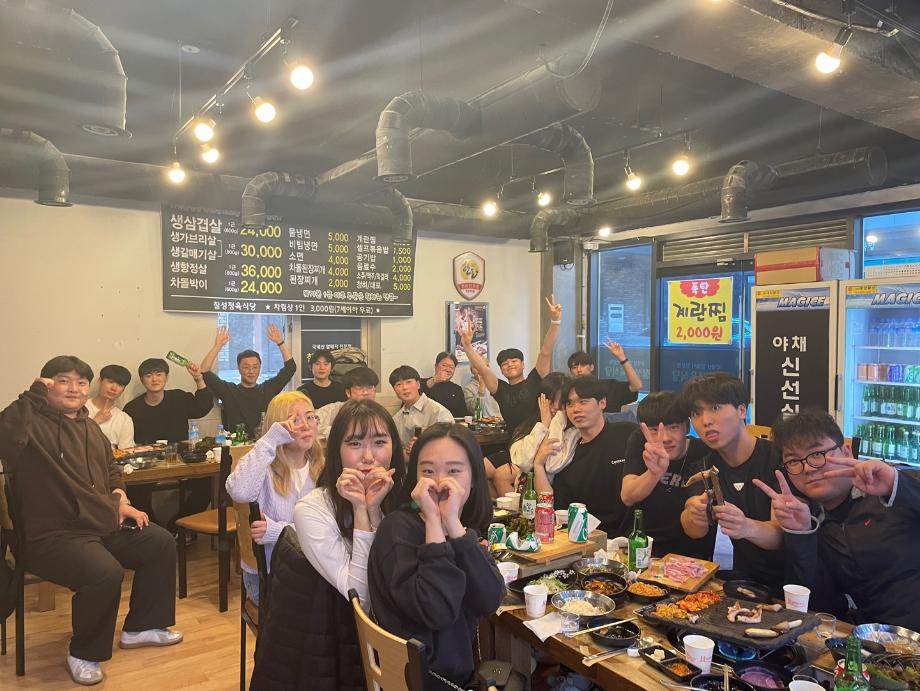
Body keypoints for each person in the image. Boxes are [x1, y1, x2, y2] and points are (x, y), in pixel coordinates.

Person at [0, 356, 181, 686]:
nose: (74, 388)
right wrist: (32, 395)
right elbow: (4, 434)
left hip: (99, 524)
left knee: (160, 542)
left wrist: (121, 500)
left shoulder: (90, 427)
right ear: (46, 384)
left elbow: (111, 470)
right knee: (104, 572)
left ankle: (141, 627)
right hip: (51, 536)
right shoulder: (29, 425)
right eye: (63, 380)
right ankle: (83, 653)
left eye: (80, 382)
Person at [368, 424, 504, 691]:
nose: (440, 483)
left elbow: (489, 600)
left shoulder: (463, 531)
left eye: (454, 471)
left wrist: (453, 524)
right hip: (425, 681)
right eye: (428, 471)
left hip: (454, 676)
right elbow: (436, 612)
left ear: (474, 478)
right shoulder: (397, 530)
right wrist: (433, 522)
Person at [762, 409, 920, 629]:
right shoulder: (814, 520)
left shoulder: (892, 490)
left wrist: (898, 485)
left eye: (817, 454)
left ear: (846, 451)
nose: (807, 468)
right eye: (794, 461)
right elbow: (824, 604)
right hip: (875, 639)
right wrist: (801, 535)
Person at [293, 398, 406, 609]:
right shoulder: (311, 510)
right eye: (355, 444)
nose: (368, 457)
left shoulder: (405, 497)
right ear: (337, 450)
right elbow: (362, 600)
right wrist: (361, 510)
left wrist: (375, 511)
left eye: (379, 442)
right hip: (343, 625)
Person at [678, 373, 784, 587]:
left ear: (742, 411)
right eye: (697, 413)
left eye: (715, 408)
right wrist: (694, 514)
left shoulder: (777, 458)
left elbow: (780, 536)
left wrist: (746, 526)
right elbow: (693, 529)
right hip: (744, 582)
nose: (706, 421)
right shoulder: (703, 465)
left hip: (792, 584)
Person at [225, 391, 324, 605]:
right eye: (295, 420)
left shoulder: (322, 467)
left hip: (316, 570)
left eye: (310, 417)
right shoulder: (263, 467)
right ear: (278, 427)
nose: (306, 426)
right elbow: (239, 492)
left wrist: (277, 531)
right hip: (271, 576)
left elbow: (326, 528)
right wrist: (270, 439)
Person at [531, 376, 637, 537]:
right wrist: (538, 465)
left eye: (583, 401)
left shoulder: (628, 434)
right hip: (586, 538)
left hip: (631, 537)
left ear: (602, 403)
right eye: (570, 404)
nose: (576, 409)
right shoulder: (567, 453)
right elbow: (550, 505)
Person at [620, 392, 715, 559]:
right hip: (640, 547)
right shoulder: (639, 442)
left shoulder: (702, 453)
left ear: (687, 426)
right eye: (654, 430)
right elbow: (627, 496)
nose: (664, 438)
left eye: (673, 427)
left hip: (686, 556)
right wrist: (654, 473)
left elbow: (696, 525)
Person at [123, 357, 214, 526]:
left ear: (166, 377)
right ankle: (155, 530)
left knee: (207, 484)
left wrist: (198, 378)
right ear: (142, 380)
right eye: (149, 375)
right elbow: (129, 444)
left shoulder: (178, 398)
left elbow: (203, 406)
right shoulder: (132, 408)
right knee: (135, 490)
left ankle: (177, 526)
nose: (154, 379)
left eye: (159, 374)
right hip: (149, 464)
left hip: (181, 461)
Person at [458, 295, 563, 435]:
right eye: (505, 363)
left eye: (514, 361)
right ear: (501, 370)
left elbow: (545, 351)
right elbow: (483, 369)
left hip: (539, 438)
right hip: (514, 441)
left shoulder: (535, 379)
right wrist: (467, 346)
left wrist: (555, 321)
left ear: (523, 364)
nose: (510, 365)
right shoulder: (500, 389)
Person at [200, 325, 297, 438]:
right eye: (246, 367)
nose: (251, 371)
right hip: (238, 444)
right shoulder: (229, 390)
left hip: (265, 443)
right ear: (239, 368)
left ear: (260, 368)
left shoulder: (268, 389)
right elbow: (204, 371)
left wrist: (280, 342)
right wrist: (218, 346)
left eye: (255, 367)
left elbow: (290, 368)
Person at [389, 365, 453, 453]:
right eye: (398, 384)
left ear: (418, 384)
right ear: (394, 390)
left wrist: (422, 447)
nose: (404, 387)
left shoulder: (438, 412)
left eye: (408, 382)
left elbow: (450, 447)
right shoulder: (396, 418)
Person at [567, 339, 642, 412]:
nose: (579, 370)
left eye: (583, 365)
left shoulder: (609, 387)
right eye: (574, 367)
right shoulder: (568, 392)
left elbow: (636, 386)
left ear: (592, 367)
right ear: (570, 371)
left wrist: (622, 358)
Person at [316, 366, 379, 438]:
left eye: (369, 387)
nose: (365, 392)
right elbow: (313, 427)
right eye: (359, 387)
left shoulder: (380, 413)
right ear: (348, 392)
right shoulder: (333, 410)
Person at [84, 364, 135, 450]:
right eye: (110, 382)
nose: (114, 388)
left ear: (123, 390)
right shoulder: (80, 408)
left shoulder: (124, 419)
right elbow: (70, 439)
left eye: (120, 385)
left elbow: (126, 453)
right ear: (99, 381)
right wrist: (96, 421)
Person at [421, 352, 468, 418]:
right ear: (436, 366)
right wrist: (435, 379)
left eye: (451, 367)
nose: (448, 369)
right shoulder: (422, 383)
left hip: (451, 423)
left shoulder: (457, 389)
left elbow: (463, 415)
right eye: (444, 365)